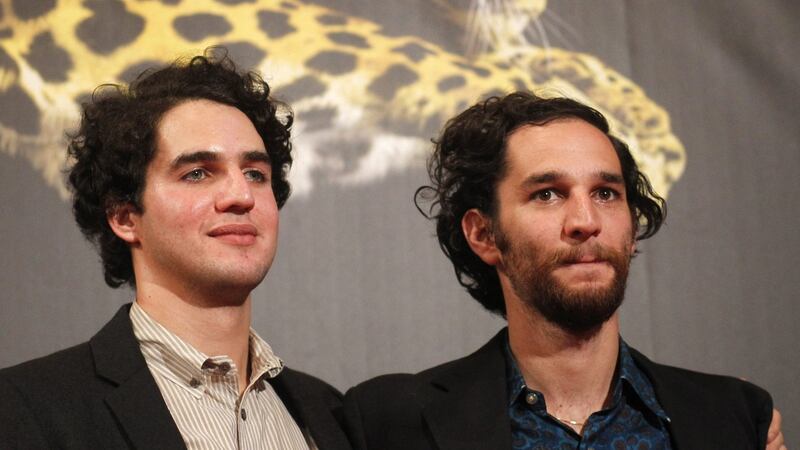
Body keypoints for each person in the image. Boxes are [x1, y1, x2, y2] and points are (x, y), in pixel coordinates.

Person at [343, 92, 786, 449]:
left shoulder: (735, 416)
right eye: (548, 194)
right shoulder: (389, 422)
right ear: (484, 234)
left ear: (632, 228)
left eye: (606, 193)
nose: (585, 221)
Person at [0, 51, 351, 450]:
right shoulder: (22, 410)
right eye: (197, 173)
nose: (240, 195)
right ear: (125, 216)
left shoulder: (330, 414)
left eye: (255, 173)